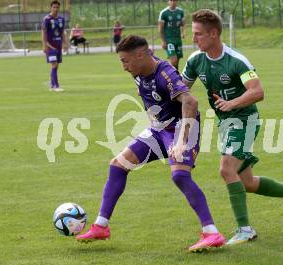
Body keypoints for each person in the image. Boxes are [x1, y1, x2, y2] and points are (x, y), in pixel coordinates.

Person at [76, 35, 225, 252]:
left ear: (139, 56)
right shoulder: (141, 66)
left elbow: (191, 101)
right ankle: (101, 226)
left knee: (180, 176)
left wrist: (182, 140)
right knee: (118, 165)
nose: (124, 67)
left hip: (180, 129)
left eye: (125, 61)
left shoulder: (165, 73)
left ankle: (212, 233)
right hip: (157, 130)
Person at [181, 9, 283, 245]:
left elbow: (257, 91)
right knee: (247, 182)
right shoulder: (195, 60)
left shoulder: (236, 61)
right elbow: (180, 90)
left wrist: (231, 103)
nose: (193, 39)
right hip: (226, 123)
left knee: (226, 169)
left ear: (214, 33)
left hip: (245, 119)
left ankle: (245, 229)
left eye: (198, 34)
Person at [41, 0, 67, 91]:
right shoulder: (47, 19)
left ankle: (52, 85)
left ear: (59, 8)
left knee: (56, 66)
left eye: (57, 7)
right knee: (54, 65)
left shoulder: (61, 19)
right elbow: (43, 33)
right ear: (51, 8)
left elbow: (62, 32)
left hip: (58, 45)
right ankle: (56, 86)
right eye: (54, 7)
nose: (55, 9)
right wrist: (44, 45)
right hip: (50, 46)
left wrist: (65, 44)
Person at [158, 0, 185, 70]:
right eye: (171, 0)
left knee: (176, 62)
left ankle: (174, 76)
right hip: (169, 40)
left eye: (175, 1)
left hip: (178, 40)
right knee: (173, 60)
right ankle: (169, 74)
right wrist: (163, 41)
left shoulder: (180, 12)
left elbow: (183, 24)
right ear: (168, 1)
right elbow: (160, 29)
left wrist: (183, 32)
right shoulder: (164, 13)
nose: (173, 2)